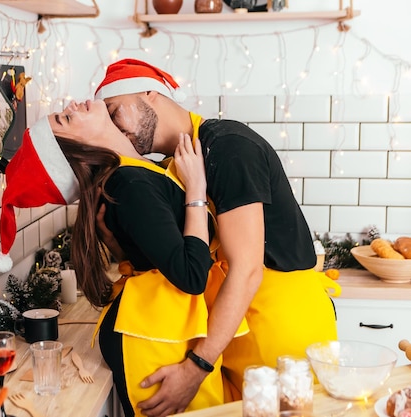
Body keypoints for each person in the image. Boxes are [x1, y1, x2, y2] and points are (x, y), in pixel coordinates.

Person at [94, 58, 341, 416]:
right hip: (230, 333)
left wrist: (197, 366)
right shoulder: (173, 167)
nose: (116, 130)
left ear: (150, 93)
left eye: (115, 111)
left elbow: (246, 269)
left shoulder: (228, 147)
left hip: (278, 333)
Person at [0, 99, 249, 416]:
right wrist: (196, 191)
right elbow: (192, 275)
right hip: (155, 339)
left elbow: (154, 252)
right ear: (76, 149)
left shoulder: (137, 171)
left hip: (168, 328)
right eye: (66, 118)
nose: (73, 104)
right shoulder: (130, 183)